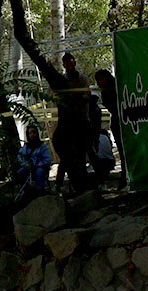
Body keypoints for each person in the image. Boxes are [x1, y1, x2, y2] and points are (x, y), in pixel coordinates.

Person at [52, 52, 92, 193]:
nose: (69, 66)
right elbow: (57, 98)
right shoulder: (62, 80)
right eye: (66, 64)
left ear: (74, 63)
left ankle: (88, 182)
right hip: (66, 123)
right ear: (63, 65)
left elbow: (85, 96)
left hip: (81, 120)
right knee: (66, 156)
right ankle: (60, 185)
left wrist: (75, 99)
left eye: (71, 63)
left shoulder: (83, 79)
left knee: (83, 153)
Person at [94, 69, 126, 187]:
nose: (98, 83)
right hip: (117, 122)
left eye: (100, 80)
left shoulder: (117, 87)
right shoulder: (105, 91)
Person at [16, 125, 52, 190]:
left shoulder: (42, 146)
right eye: (30, 133)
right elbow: (20, 157)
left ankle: (39, 190)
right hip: (28, 167)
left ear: (37, 133)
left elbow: (48, 159)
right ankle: (25, 190)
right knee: (19, 172)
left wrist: (39, 164)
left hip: (40, 167)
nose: (32, 135)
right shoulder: (26, 147)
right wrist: (26, 165)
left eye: (34, 132)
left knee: (39, 172)